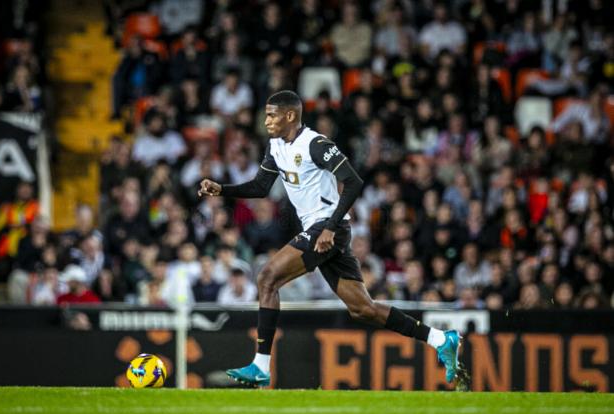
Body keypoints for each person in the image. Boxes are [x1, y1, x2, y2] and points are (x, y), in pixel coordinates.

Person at [198, 90, 464, 388]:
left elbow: (353, 182)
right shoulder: (275, 145)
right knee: (363, 308)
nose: (267, 120)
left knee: (267, 278)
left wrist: (329, 228)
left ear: (290, 116)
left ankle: (261, 365)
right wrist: (222, 189)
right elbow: (261, 186)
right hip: (321, 229)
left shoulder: (315, 144)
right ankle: (441, 338)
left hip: (328, 228)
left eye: (272, 114)